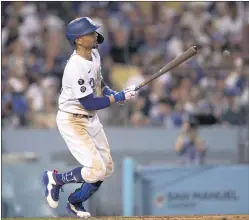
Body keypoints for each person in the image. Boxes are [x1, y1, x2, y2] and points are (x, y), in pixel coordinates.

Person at [42, 17, 137, 218]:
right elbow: (89, 102)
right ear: (78, 40)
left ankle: (75, 202)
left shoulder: (94, 54)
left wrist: (114, 94)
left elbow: (99, 85)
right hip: (73, 119)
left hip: (90, 119)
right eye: (90, 32)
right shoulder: (74, 67)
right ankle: (56, 179)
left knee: (106, 168)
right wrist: (117, 97)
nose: (95, 35)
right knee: (96, 169)